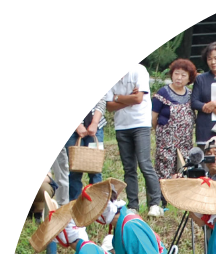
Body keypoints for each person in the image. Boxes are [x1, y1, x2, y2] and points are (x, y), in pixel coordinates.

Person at [105, 63, 164, 217]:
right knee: (129, 168)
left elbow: (138, 98)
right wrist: (127, 98)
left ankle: (155, 204)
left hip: (140, 124)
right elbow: (109, 106)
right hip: (121, 125)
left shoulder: (139, 70)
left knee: (145, 164)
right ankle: (133, 205)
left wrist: (118, 97)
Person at [152, 59, 197, 185]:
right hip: (166, 143)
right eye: (176, 73)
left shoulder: (191, 95)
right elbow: (153, 118)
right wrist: (163, 134)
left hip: (185, 143)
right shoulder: (162, 93)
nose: (179, 78)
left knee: (184, 170)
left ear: (189, 78)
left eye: (183, 75)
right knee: (164, 172)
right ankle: (162, 195)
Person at [57, 94, 108, 204]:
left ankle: (96, 206)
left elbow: (101, 100)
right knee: (74, 170)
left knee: (95, 169)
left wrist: (94, 123)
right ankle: (75, 207)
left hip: (96, 126)